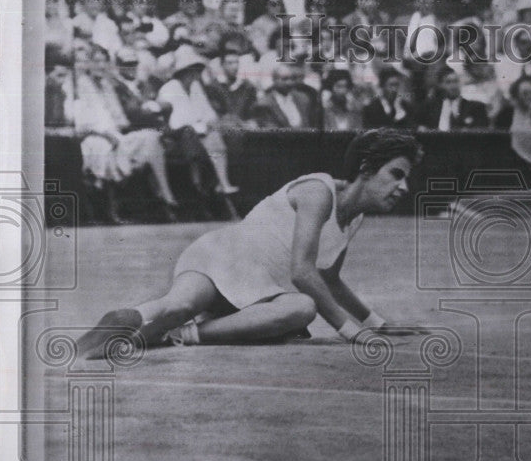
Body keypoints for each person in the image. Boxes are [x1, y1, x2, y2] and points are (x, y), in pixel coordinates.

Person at [76, 128, 424, 358]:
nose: (403, 187)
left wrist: (377, 323)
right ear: (366, 168)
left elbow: (329, 279)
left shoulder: (353, 218)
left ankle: (146, 324)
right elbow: (303, 272)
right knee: (300, 307)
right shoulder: (319, 191)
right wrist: (351, 331)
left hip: (248, 281)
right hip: (225, 257)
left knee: (178, 306)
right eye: (396, 174)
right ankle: (167, 332)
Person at [70, 44, 180, 223]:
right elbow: (81, 124)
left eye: (104, 61)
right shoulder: (81, 85)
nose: (100, 65)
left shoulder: (106, 85)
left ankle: (166, 196)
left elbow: (121, 121)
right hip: (92, 137)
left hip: (115, 134)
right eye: (96, 61)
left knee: (151, 137)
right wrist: (106, 134)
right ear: (89, 63)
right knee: (105, 146)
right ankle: (112, 210)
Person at [157, 49, 241, 196]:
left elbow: (208, 113)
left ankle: (220, 183)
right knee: (211, 137)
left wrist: (209, 123)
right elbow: (177, 122)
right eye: (193, 70)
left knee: (221, 135)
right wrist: (203, 125)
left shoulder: (196, 87)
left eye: (198, 70)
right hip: (177, 137)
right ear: (184, 72)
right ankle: (217, 184)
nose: (196, 74)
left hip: (198, 134)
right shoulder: (170, 88)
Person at [417, 68, 489, 131]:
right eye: (448, 82)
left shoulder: (475, 107)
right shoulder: (429, 107)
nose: (453, 86)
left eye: (456, 81)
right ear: (441, 85)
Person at [255, 63, 322, 129]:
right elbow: (270, 130)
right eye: (284, 79)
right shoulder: (264, 103)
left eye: (292, 79)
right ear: (274, 80)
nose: (289, 83)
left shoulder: (303, 98)